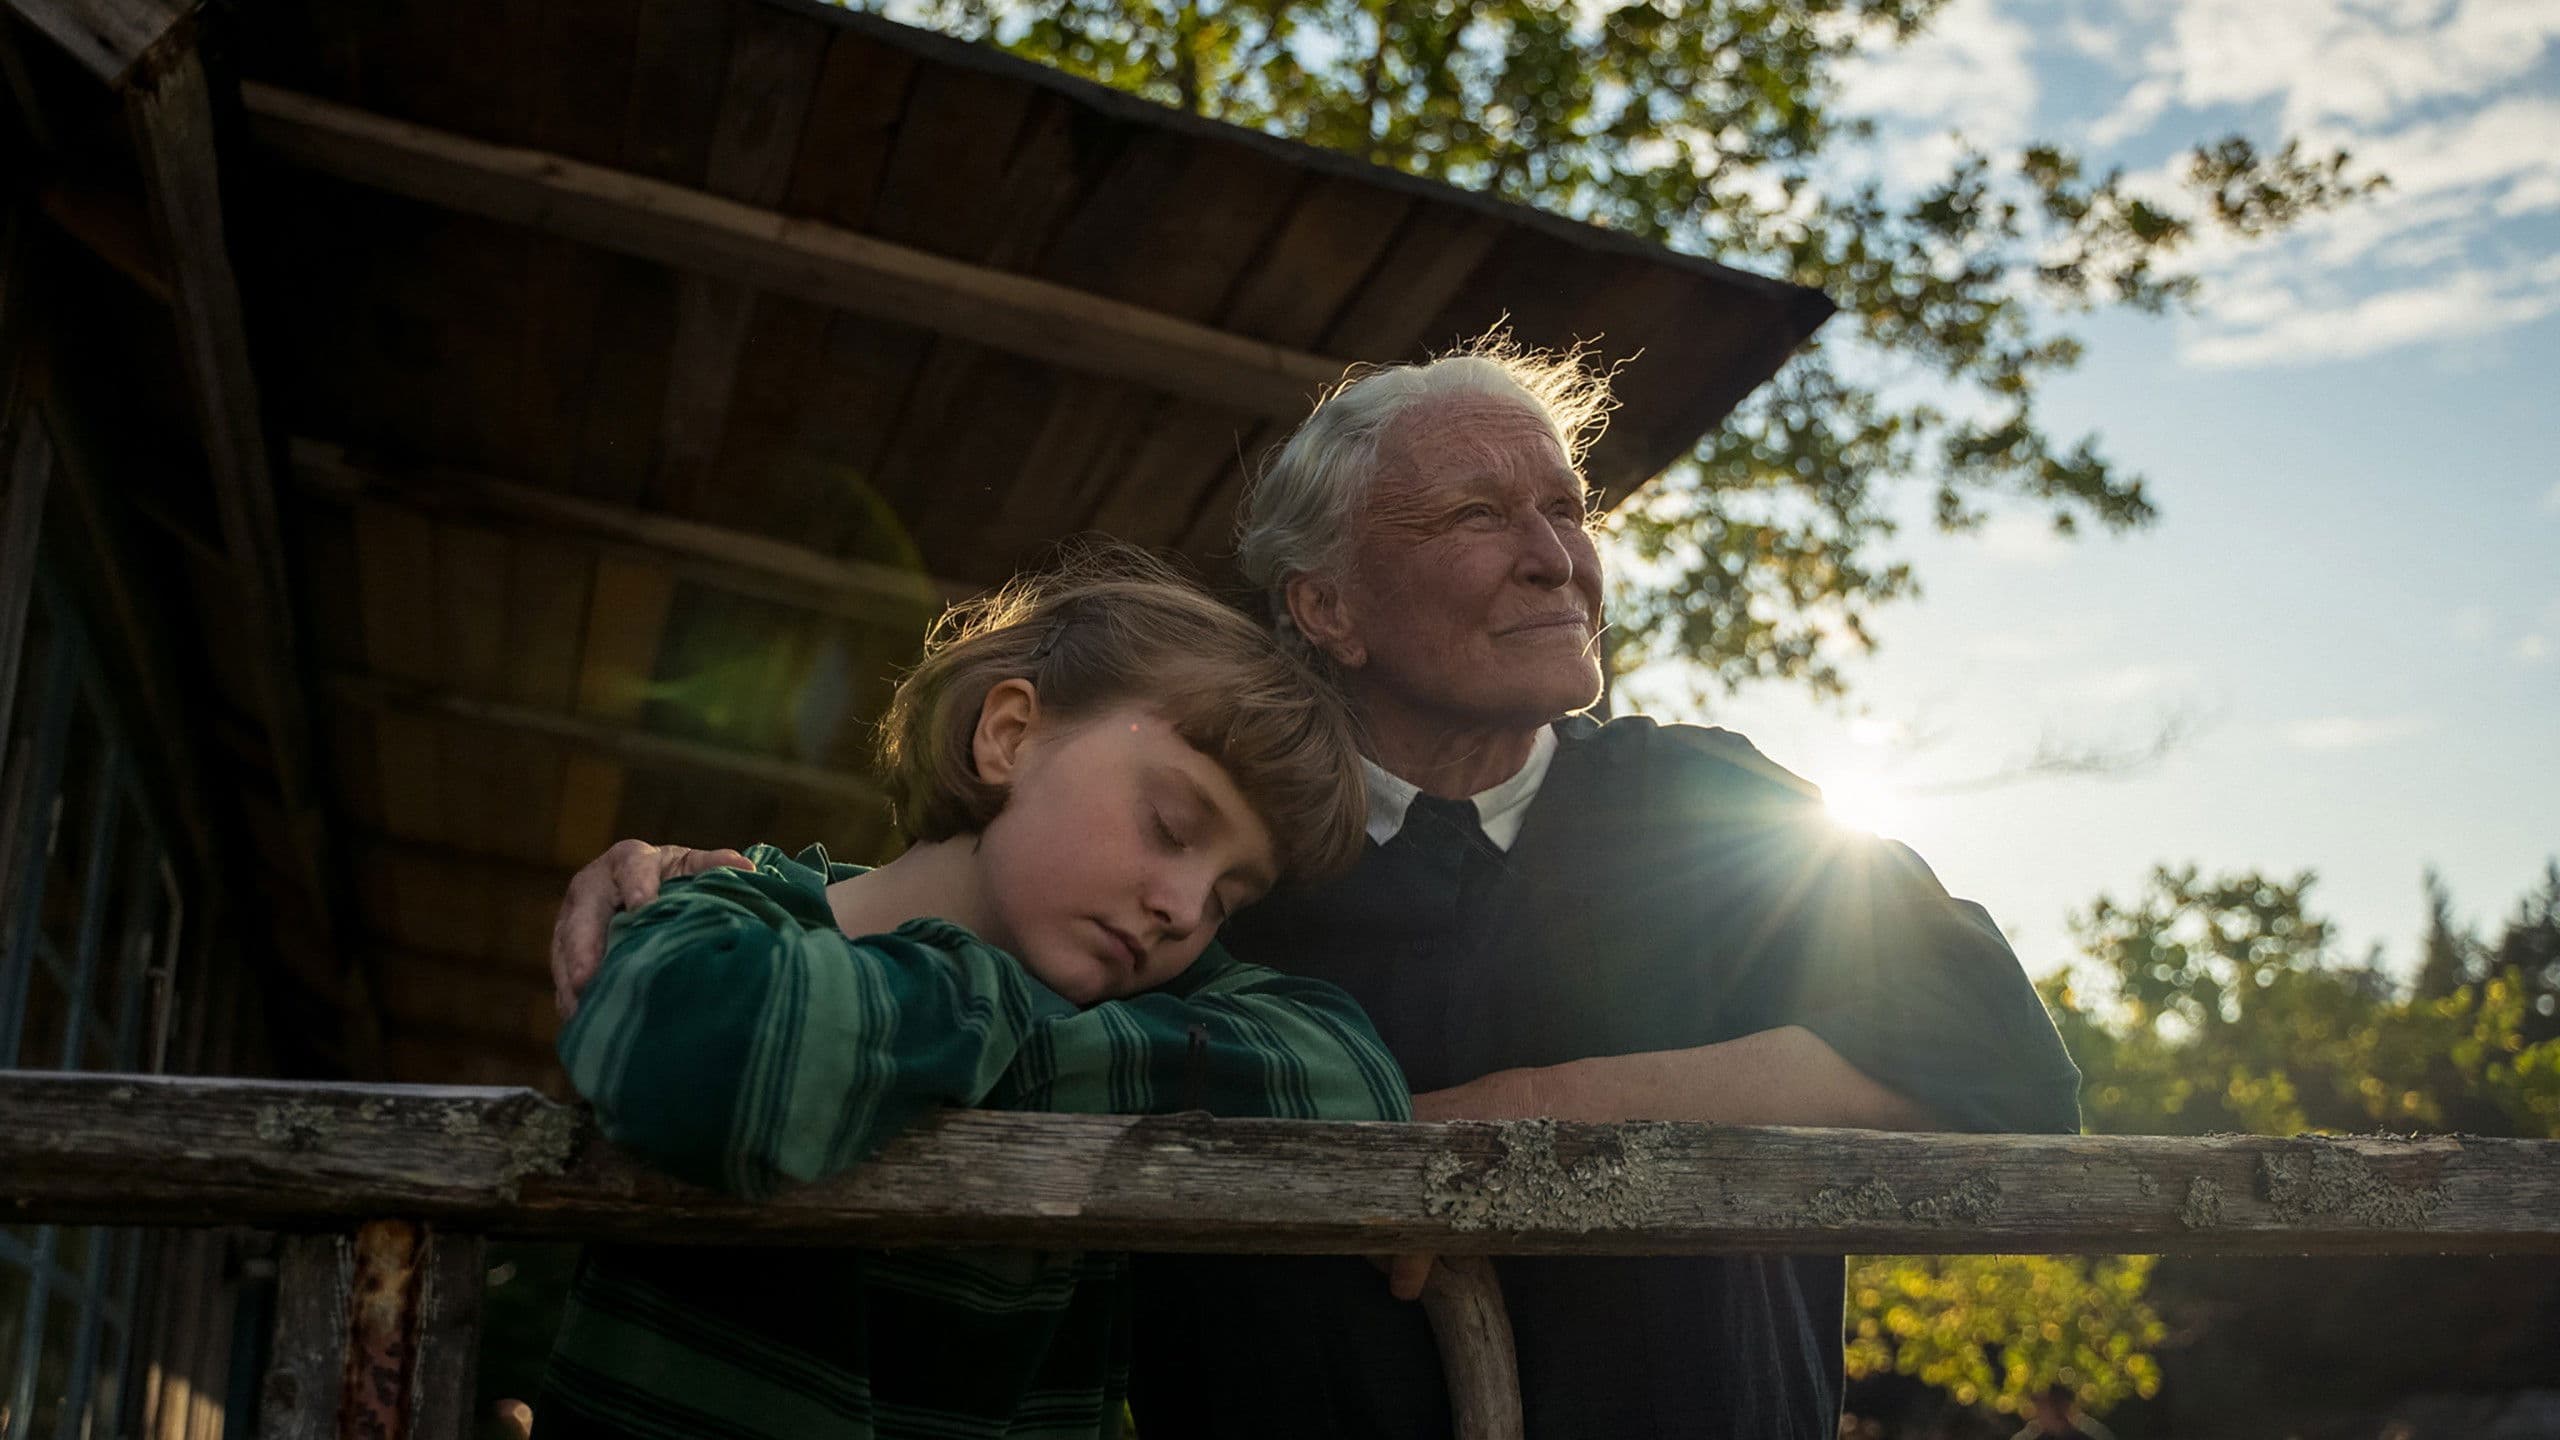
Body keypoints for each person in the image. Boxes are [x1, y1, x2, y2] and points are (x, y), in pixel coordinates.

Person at [552, 338, 2084, 1439]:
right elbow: (965, 931)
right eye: (1481, 516)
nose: (1557, 558)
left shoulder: (1711, 801)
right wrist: (747, 901)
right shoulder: (1240, 875)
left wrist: (1525, 1110)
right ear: (1325, 604)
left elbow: (2000, 1062)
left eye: (1567, 511)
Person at [535, 551, 1411, 1440]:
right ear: (1009, 735)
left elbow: (1353, 1085)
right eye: (1171, 827)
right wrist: (1013, 1023)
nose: (1184, 909)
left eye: (1229, 900)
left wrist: (947, 1055)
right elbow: (705, 1057)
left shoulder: (1131, 998)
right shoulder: (721, 905)